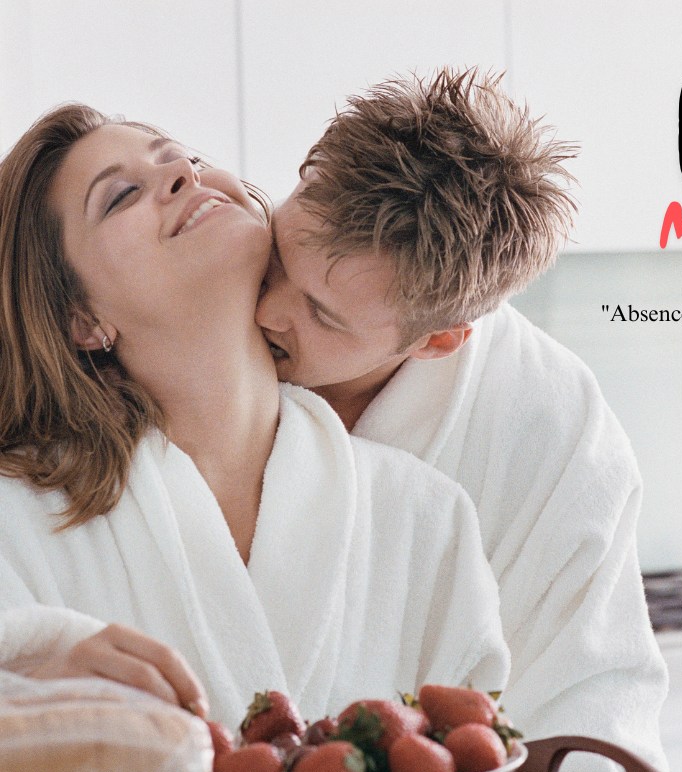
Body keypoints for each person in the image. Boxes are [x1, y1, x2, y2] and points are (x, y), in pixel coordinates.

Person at [0, 103, 510, 732]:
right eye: (123, 194)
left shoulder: (424, 518)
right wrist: (27, 698)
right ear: (82, 319)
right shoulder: (18, 518)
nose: (185, 175)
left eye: (185, 158)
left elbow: (478, 754)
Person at [255, 68, 670, 772]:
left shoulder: (553, 429)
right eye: (278, 259)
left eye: (322, 314)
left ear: (439, 338)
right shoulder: (205, 297)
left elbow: (587, 703)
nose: (264, 312)